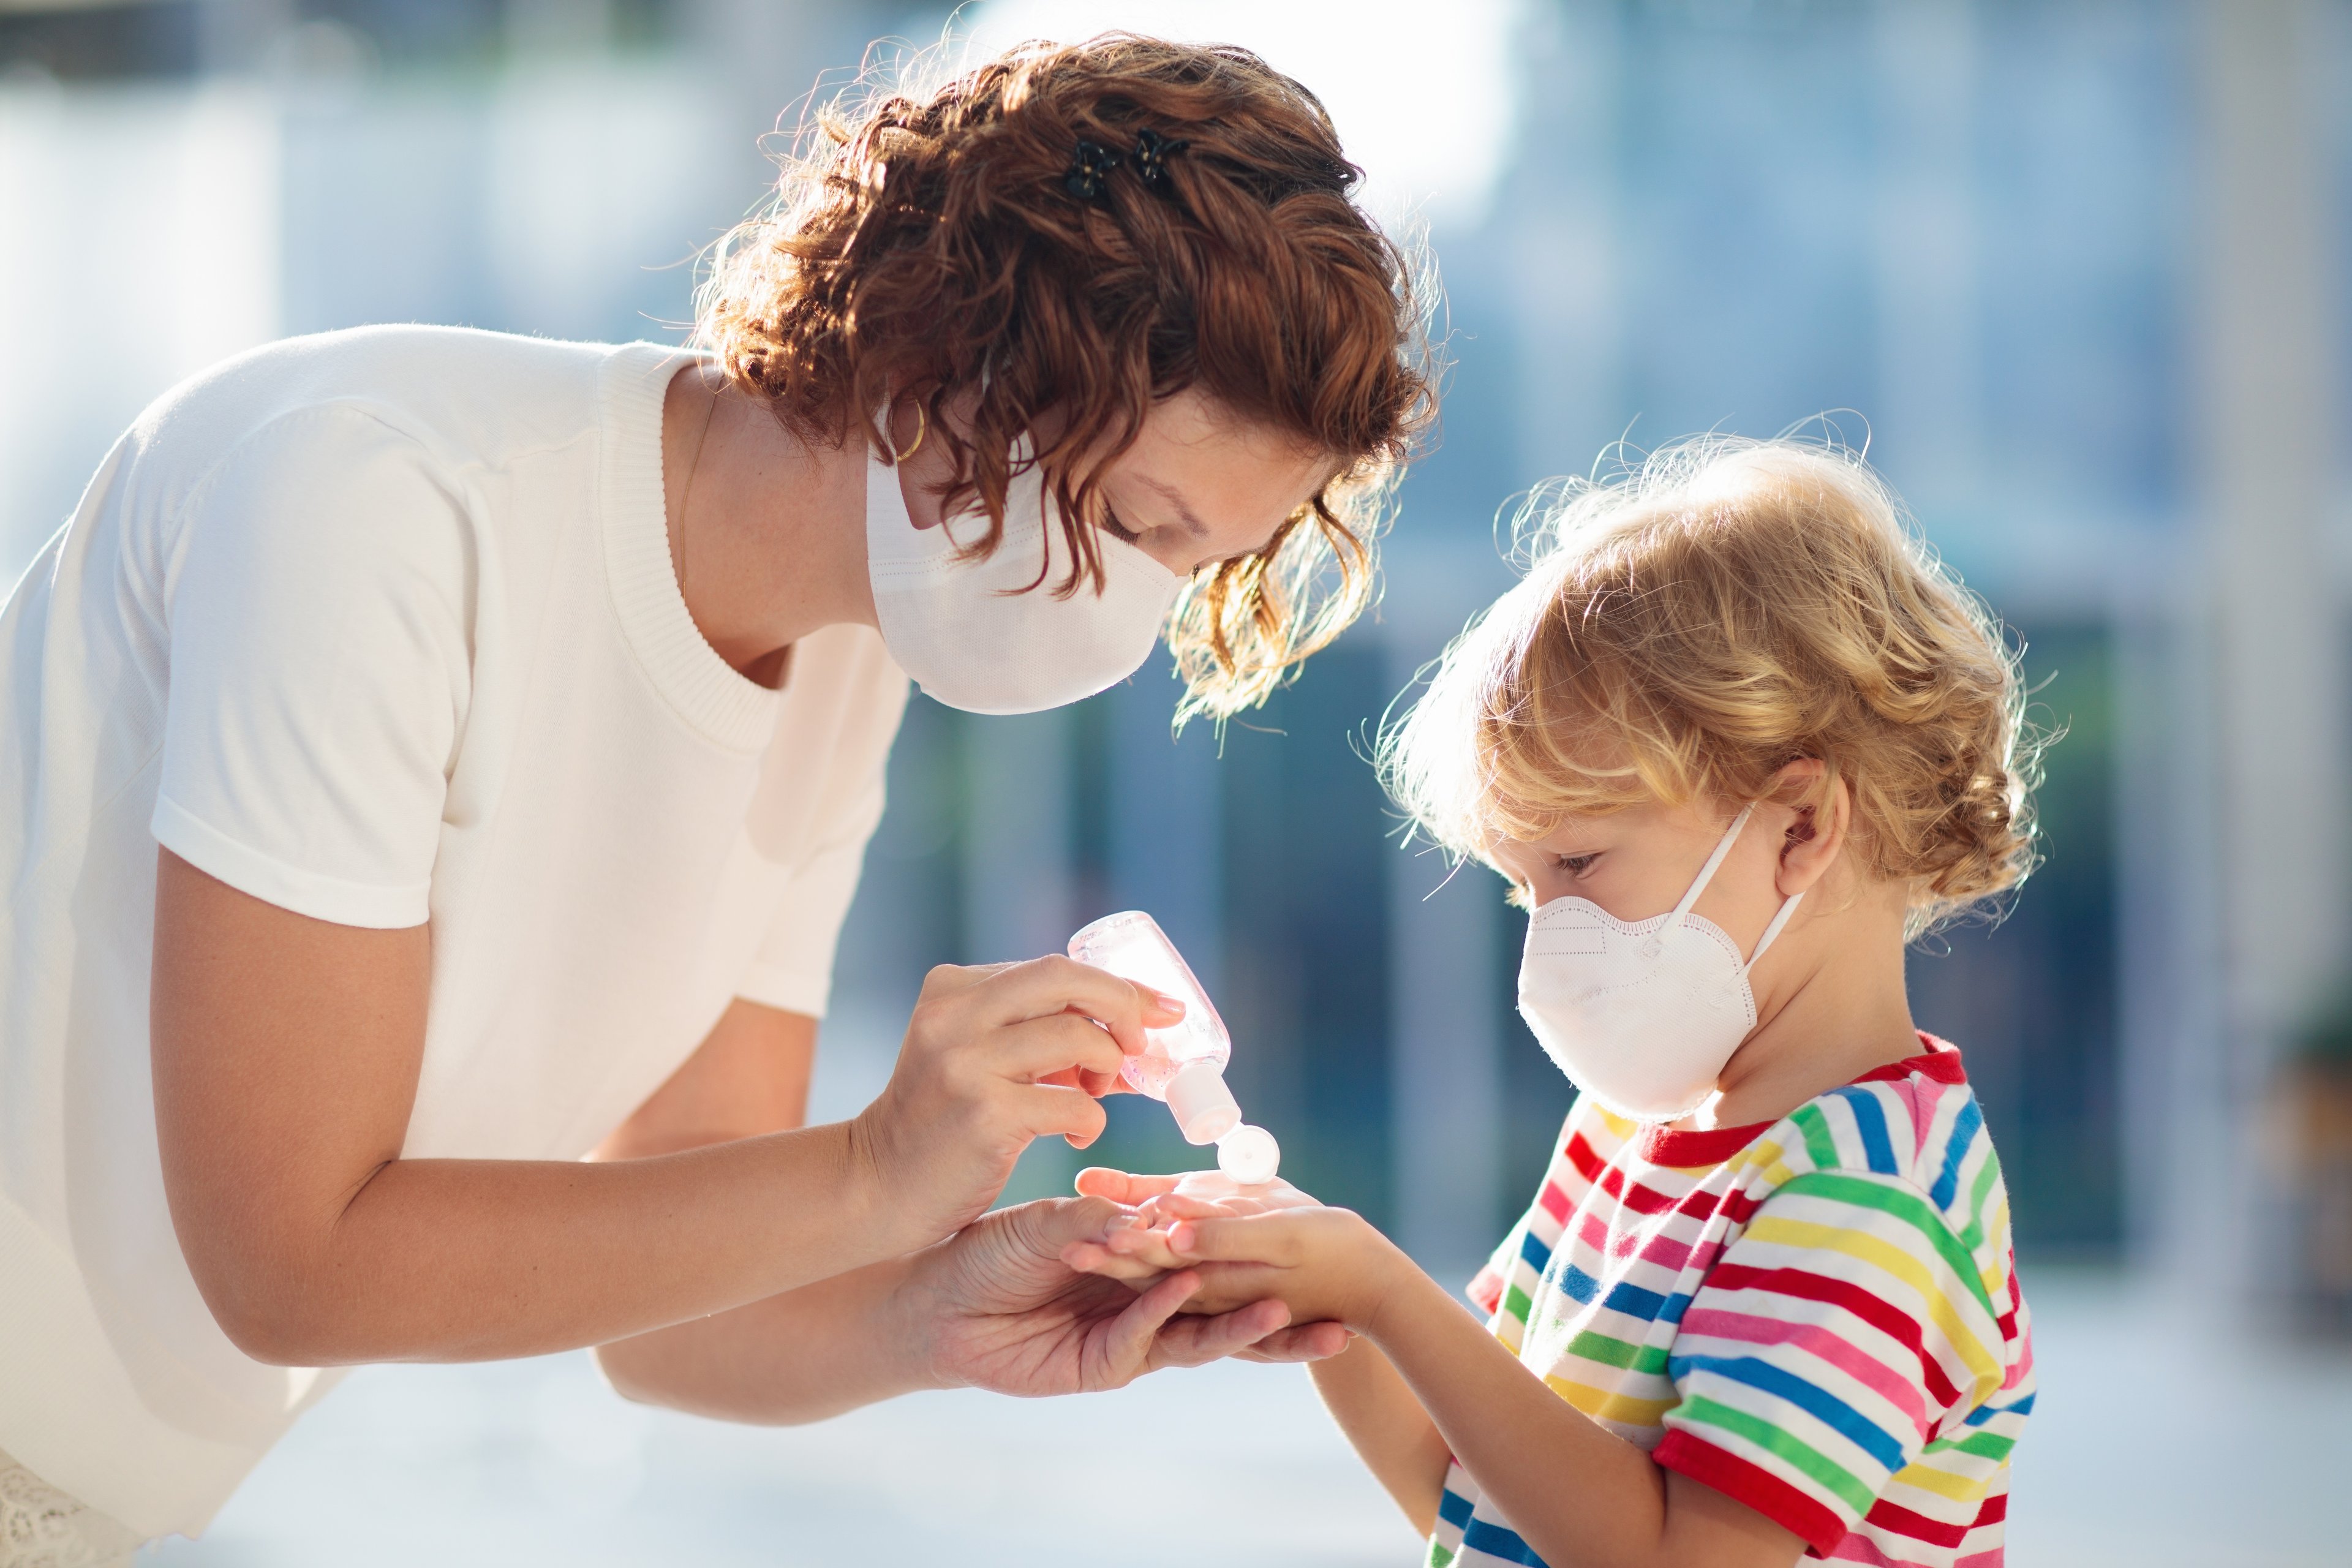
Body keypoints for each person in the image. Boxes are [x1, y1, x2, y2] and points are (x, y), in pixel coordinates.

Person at [0, 33, 1431, 1559]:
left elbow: (673, 1322)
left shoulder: (841, 665)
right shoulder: (376, 500)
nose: (1139, 621)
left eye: (1197, 568)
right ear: (949, 360)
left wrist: (956, 1301)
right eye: (1141, 525)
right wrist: (874, 1168)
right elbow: (292, 1264)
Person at [1069, 439, 2041, 1568]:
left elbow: (1674, 1561)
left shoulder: (1868, 1197)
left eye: (1578, 863)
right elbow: (1471, 1488)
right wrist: (1316, 1292)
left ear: (1802, 827)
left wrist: (1383, 1293)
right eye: (1522, 886)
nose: (1546, 939)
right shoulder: (1629, 1129)